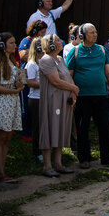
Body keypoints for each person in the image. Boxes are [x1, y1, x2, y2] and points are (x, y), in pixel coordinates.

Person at [65, 23, 109, 169]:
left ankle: (107, 157)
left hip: (100, 95)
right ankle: (84, 158)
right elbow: (69, 75)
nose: (95, 35)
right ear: (82, 35)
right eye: (91, 32)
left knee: (105, 126)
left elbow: (108, 72)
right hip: (82, 96)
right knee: (82, 128)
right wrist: (73, 91)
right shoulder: (75, 52)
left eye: (95, 32)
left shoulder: (102, 50)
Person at [38, 34, 78, 178]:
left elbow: (68, 77)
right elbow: (55, 81)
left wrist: (73, 91)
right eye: (56, 40)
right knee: (50, 128)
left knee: (60, 128)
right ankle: (47, 166)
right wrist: (73, 88)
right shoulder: (46, 60)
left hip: (64, 99)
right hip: (52, 99)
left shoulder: (60, 59)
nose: (60, 42)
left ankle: (58, 163)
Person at [0, 32, 24, 183]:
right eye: (11, 43)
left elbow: (20, 80)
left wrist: (19, 85)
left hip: (13, 102)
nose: (14, 46)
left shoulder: (13, 62)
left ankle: (3, 170)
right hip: (2, 102)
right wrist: (12, 91)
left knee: (7, 137)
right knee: (0, 137)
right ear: (2, 45)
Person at [25, 38, 44, 163]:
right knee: (37, 126)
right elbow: (30, 82)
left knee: (44, 126)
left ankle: (44, 149)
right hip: (35, 99)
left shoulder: (42, 62)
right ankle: (37, 151)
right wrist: (45, 85)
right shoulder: (32, 64)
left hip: (44, 97)